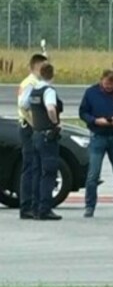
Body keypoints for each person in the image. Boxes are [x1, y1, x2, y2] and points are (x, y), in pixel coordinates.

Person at [79, 69, 113, 218]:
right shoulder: (91, 92)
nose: (109, 86)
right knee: (93, 174)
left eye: (112, 84)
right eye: (107, 83)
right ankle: (89, 206)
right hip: (98, 136)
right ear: (101, 80)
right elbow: (83, 112)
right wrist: (95, 121)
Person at [23, 63, 63, 220]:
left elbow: (24, 105)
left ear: (40, 73)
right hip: (47, 136)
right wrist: (55, 123)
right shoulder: (49, 91)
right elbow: (51, 108)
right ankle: (45, 209)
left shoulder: (33, 90)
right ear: (52, 75)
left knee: (36, 172)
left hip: (36, 134)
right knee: (49, 172)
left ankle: (35, 206)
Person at [16, 53, 49, 219]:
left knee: (35, 167)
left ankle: (32, 205)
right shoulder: (31, 83)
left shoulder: (34, 82)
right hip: (29, 128)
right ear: (36, 66)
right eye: (44, 65)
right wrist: (34, 123)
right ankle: (27, 206)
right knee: (30, 167)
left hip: (30, 128)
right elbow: (23, 104)